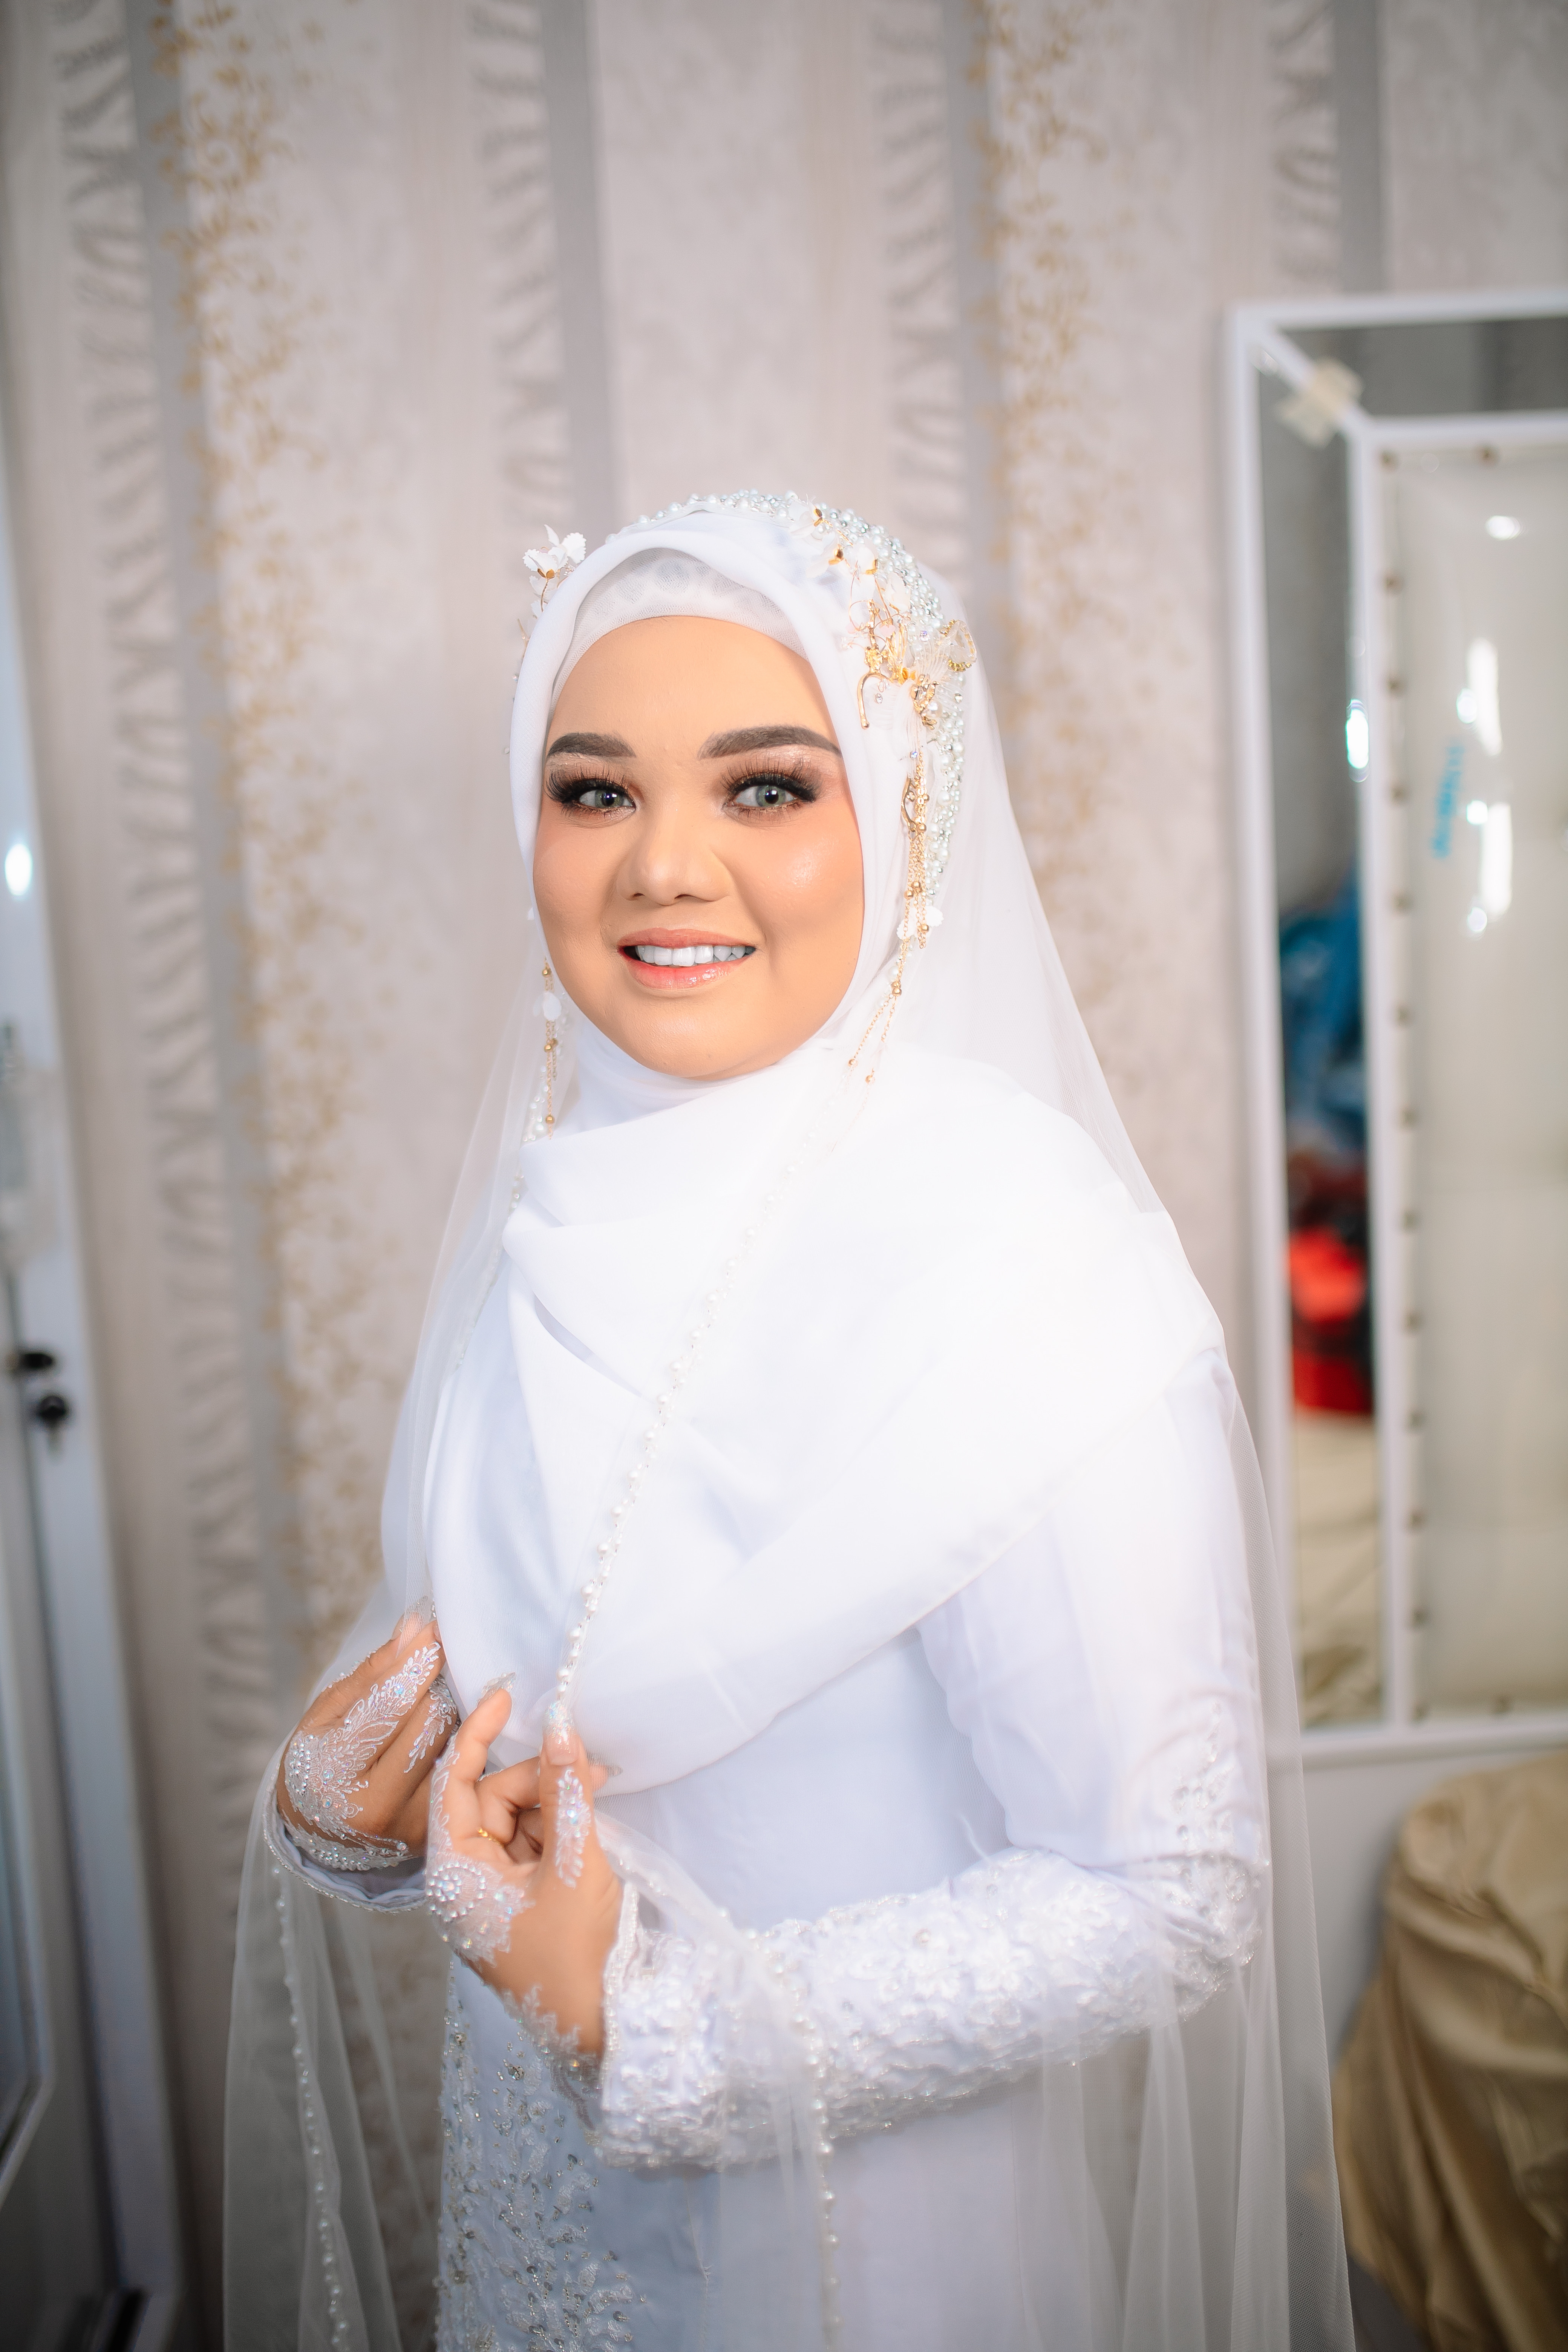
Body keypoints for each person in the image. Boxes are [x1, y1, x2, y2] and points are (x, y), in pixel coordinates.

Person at [227, 493, 1355, 2351]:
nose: (663, 865)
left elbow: (1169, 1891)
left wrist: (648, 2024)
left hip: (867, 2259)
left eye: (765, 787)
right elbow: (537, 1686)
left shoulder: (1017, 1255)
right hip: (539, 2232)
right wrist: (366, 1805)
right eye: (592, 791)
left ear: (900, 817)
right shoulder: (543, 1214)